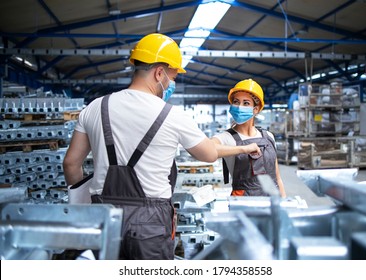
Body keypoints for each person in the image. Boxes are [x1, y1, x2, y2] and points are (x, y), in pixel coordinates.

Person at [63, 33, 259, 260]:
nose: (171, 83)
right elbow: (209, 154)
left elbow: (70, 164)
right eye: (172, 77)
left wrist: (86, 206)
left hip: (101, 217)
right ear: (159, 73)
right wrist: (244, 147)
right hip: (150, 224)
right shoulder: (172, 115)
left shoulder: (95, 107)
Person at [212, 78, 286, 197]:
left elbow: (277, 178)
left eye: (246, 103)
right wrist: (244, 149)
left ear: (255, 109)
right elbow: (208, 148)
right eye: (236, 102)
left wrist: (284, 204)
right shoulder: (226, 138)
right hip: (243, 205)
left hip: (272, 201)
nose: (239, 106)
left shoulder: (268, 137)